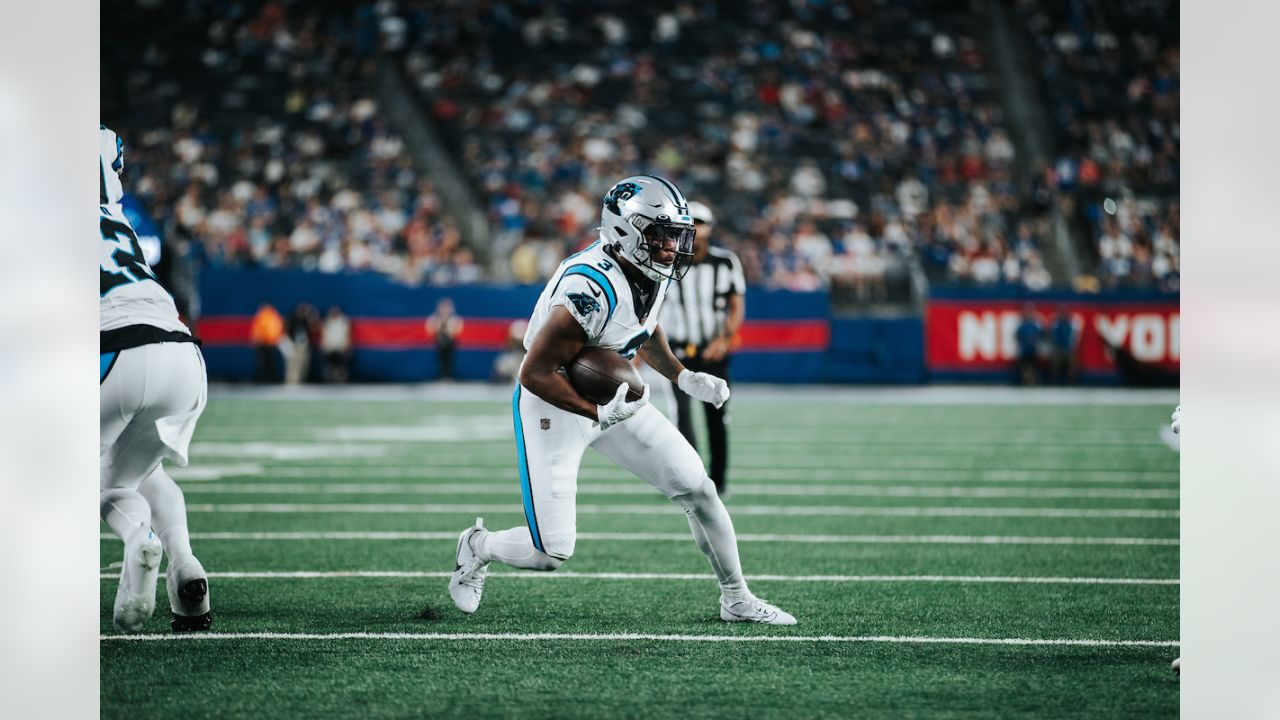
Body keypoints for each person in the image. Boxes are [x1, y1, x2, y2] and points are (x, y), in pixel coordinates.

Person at [446, 175, 795, 625]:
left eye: (676, 234)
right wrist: (595, 412)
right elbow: (532, 372)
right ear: (627, 230)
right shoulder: (589, 287)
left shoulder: (650, 265)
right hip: (553, 401)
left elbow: (643, 327)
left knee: (700, 490)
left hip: (614, 397)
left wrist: (683, 376)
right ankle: (478, 547)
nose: (673, 245)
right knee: (551, 550)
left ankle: (737, 598)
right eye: (661, 233)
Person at [100, 125, 211, 633]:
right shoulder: (117, 216)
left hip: (114, 350)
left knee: (94, 484)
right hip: (182, 353)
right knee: (144, 474)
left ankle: (137, 538)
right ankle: (186, 570)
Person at [658, 201, 746, 495]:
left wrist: (725, 339)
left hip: (713, 351)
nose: (695, 227)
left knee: (716, 417)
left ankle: (719, 481)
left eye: (701, 222)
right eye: (690, 221)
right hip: (678, 352)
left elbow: (736, 303)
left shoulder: (726, 262)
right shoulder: (665, 261)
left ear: (710, 227)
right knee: (681, 419)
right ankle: (691, 480)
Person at [426, 297, 463, 380]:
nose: (445, 310)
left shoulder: (454, 319)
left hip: (450, 341)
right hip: (439, 340)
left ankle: (449, 375)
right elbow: (430, 328)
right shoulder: (435, 318)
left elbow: (458, 329)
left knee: (449, 359)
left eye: (447, 308)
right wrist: (437, 330)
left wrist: (450, 332)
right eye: (443, 308)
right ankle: (441, 375)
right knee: (440, 359)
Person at [283, 303, 317, 385]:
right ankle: (291, 383)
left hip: (303, 346)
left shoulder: (306, 320)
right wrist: (288, 344)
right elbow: (286, 332)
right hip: (293, 345)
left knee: (303, 365)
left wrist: (312, 316)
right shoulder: (292, 319)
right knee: (292, 364)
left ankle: (300, 382)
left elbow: (313, 330)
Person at [249, 302, 284, 383]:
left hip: (271, 344)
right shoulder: (263, 316)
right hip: (264, 344)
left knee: (270, 364)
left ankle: (269, 380)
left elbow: (277, 329)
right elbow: (258, 330)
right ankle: (263, 380)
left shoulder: (273, 316)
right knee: (264, 364)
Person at [320, 306, 353, 383]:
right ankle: (329, 381)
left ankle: (341, 381)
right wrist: (323, 346)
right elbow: (324, 335)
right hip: (329, 348)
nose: (334, 313)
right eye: (333, 312)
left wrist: (348, 346)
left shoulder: (344, 322)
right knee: (329, 366)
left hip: (340, 347)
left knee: (341, 366)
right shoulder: (327, 322)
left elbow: (347, 335)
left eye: (336, 312)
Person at [1014, 304, 1043, 385]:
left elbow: (1040, 336)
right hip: (1024, 350)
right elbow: (1017, 336)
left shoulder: (1036, 324)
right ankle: (1025, 380)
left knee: (1033, 365)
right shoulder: (1021, 324)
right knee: (1024, 365)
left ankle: (1032, 380)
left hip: (1033, 349)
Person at [1048, 305, 1077, 385]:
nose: (1063, 314)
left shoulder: (1071, 324)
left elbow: (1073, 337)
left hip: (1067, 348)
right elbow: (1053, 336)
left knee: (1072, 362)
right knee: (1055, 362)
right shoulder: (1056, 324)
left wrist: (1071, 347)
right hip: (1058, 349)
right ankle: (1054, 381)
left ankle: (1071, 382)